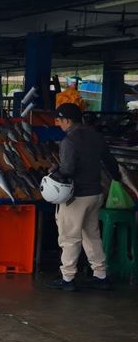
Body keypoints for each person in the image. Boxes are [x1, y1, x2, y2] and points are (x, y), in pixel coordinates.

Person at [47, 103, 121, 291]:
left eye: (59, 121)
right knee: (92, 235)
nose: (58, 124)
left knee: (69, 237)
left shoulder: (70, 141)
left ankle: (68, 278)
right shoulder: (96, 136)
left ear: (67, 120)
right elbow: (111, 162)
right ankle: (100, 275)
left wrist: (55, 171)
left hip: (76, 197)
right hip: (95, 194)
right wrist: (117, 181)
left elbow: (68, 170)